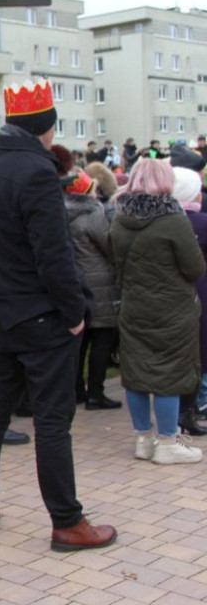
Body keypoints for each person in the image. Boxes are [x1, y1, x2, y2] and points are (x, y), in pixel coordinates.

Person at [0, 79, 116, 551]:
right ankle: (67, 521)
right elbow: (53, 254)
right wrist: (74, 312)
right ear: (46, 127)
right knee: (52, 420)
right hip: (39, 314)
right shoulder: (36, 170)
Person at [111, 159, 205, 464]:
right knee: (169, 374)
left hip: (133, 305)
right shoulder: (174, 219)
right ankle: (167, 442)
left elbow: (115, 262)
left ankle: (143, 440)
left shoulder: (119, 218)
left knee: (135, 374)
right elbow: (194, 268)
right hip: (172, 309)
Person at [60, 170, 121, 410]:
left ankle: (76, 390)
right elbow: (111, 245)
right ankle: (96, 392)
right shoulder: (94, 215)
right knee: (102, 339)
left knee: (80, 341)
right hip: (99, 284)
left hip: (76, 281)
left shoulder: (62, 214)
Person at [172, 167, 207, 436]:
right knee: (199, 351)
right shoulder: (201, 222)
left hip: (165, 295)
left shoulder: (161, 221)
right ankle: (191, 405)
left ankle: (181, 408)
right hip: (198, 291)